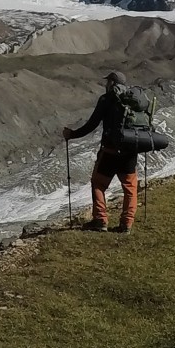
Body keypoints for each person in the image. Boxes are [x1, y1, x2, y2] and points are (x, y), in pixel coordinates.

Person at [62, 70, 138, 233]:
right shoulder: (133, 100)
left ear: (111, 83)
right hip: (130, 152)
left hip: (109, 152)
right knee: (130, 188)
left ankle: (101, 220)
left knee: (98, 184)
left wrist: (72, 134)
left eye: (107, 82)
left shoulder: (106, 99)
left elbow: (92, 124)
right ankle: (127, 224)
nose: (106, 84)